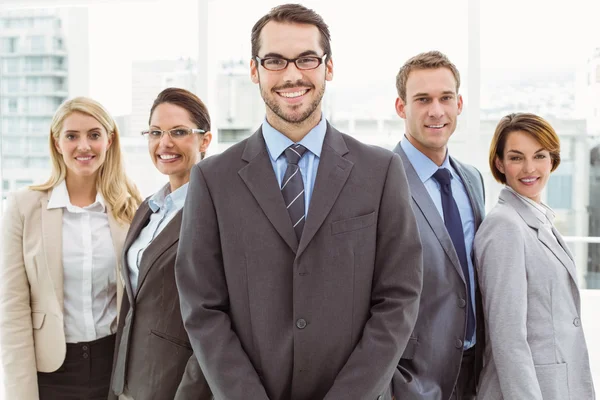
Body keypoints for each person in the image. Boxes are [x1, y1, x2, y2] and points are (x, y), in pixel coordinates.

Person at [174, 4, 423, 400]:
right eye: (274, 60)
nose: (292, 74)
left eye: (307, 58)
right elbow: (202, 308)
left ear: (328, 67)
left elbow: (398, 299)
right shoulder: (211, 179)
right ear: (254, 70)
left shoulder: (381, 171)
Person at [0, 97, 142, 399]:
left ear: (109, 140)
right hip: (50, 373)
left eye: (94, 134)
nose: (84, 146)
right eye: (72, 136)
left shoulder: (130, 208)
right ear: (57, 142)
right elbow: (12, 310)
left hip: (115, 367)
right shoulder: (24, 207)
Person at [474, 113, 595, 400]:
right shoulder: (505, 225)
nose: (529, 168)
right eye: (516, 158)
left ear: (552, 160)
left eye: (539, 155)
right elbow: (508, 338)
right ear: (500, 163)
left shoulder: (539, 219)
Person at [392, 51, 485, 400]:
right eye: (422, 100)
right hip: (412, 378)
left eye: (445, 98)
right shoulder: (379, 181)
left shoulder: (472, 179)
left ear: (459, 103)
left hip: (475, 371)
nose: (436, 111)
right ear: (402, 107)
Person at [109, 88, 213, 400]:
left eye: (179, 132)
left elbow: (219, 320)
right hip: (129, 382)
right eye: (155, 132)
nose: (164, 143)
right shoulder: (147, 208)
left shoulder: (216, 213)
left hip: (175, 387)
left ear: (204, 140)